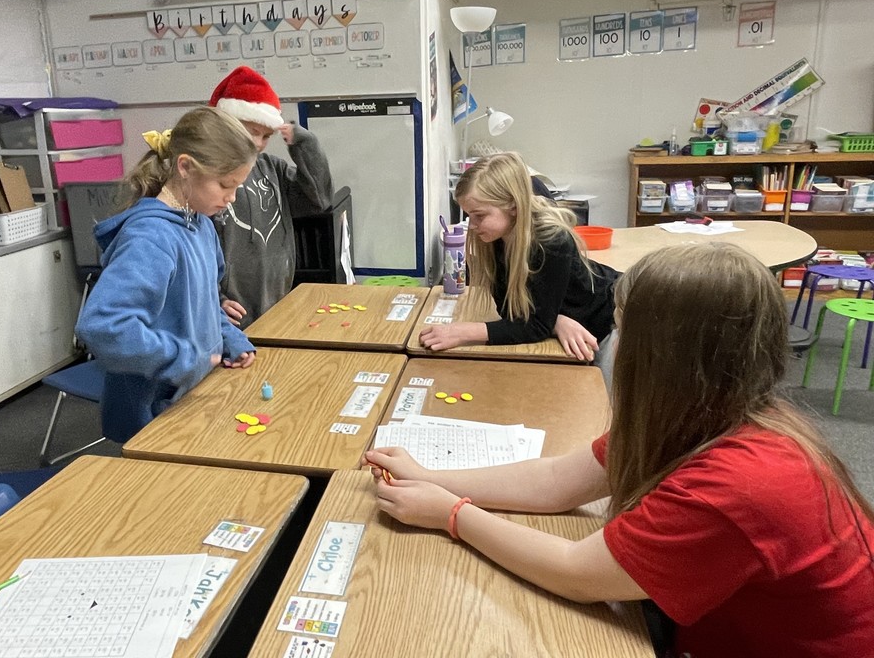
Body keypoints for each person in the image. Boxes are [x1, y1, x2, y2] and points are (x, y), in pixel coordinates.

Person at [366, 243, 874, 657]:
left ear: (662, 353)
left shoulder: (742, 481)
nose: (614, 338)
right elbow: (557, 483)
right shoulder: (699, 413)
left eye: (622, 325)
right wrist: (433, 476)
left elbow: (577, 573)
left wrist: (451, 515)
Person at [76, 107, 258, 443]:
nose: (231, 199)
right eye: (224, 185)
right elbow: (103, 325)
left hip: (191, 395)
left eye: (237, 188)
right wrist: (184, 357)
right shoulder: (151, 239)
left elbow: (204, 302)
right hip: (151, 413)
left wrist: (228, 339)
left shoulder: (200, 223)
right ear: (185, 167)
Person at [420, 151, 617, 363]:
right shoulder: (496, 237)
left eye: (480, 215)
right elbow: (511, 312)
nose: (472, 225)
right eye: (469, 216)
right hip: (568, 325)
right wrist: (555, 322)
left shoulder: (552, 241)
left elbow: (535, 325)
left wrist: (463, 332)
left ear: (513, 207)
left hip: (610, 317)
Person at [209, 66, 333, 328]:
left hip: (277, 303)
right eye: (252, 131)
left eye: (266, 136)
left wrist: (304, 144)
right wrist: (214, 298)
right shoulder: (206, 180)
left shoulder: (272, 169)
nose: (258, 143)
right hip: (231, 317)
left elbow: (319, 198)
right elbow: (193, 251)